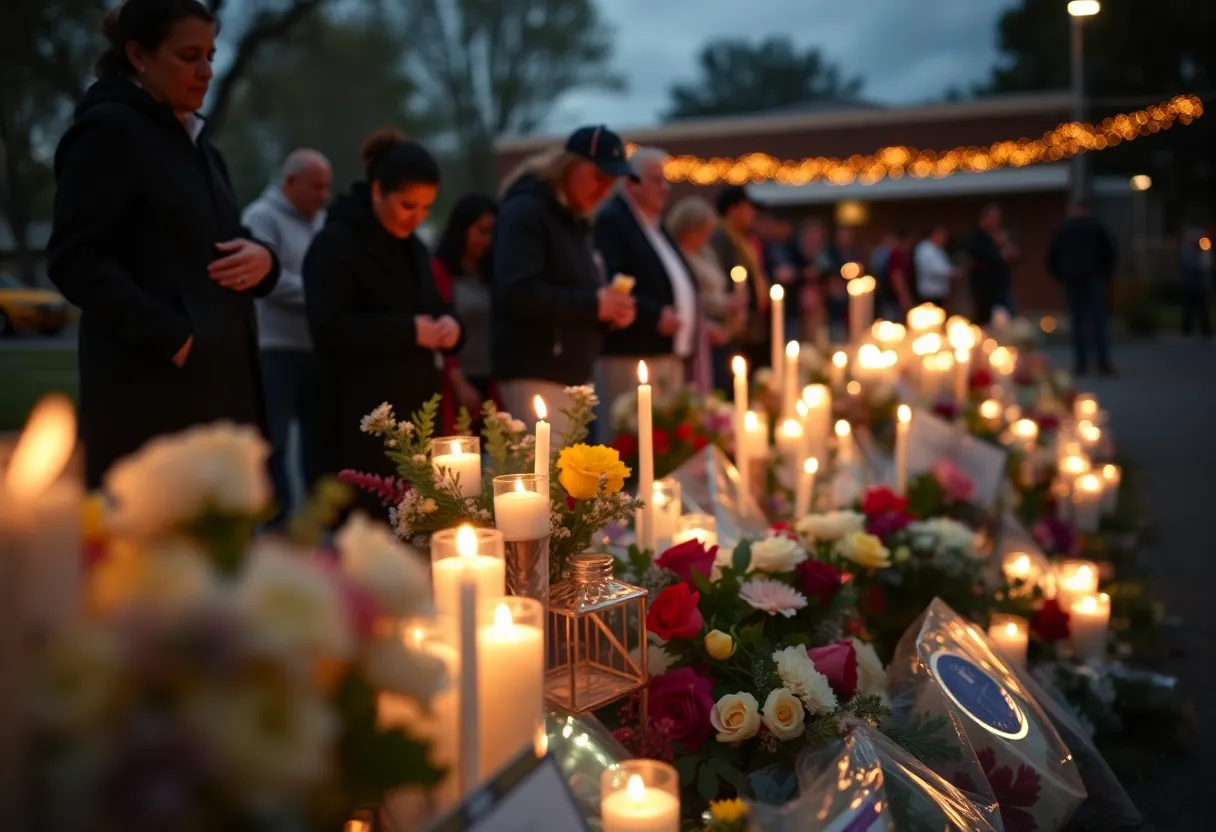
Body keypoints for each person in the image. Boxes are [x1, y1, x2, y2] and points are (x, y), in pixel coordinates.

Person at [47, 0, 279, 487]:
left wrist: (265, 259)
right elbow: (75, 258)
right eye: (188, 55)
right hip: (154, 405)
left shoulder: (197, 143)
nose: (205, 71)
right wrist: (173, 337)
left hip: (219, 400)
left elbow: (216, 236)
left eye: (211, 56)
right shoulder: (108, 131)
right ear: (138, 55)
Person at [303, 129, 460, 515]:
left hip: (414, 419)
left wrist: (452, 328)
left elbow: (436, 306)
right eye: (408, 205)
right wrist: (410, 331)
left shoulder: (414, 247)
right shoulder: (337, 243)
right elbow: (329, 327)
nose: (417, 217)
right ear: (378, 191)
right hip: (357, 421)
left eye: (426, 208)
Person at [492, 125, 637, 438]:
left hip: (571, 374)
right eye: (598, 177)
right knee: (545, 480)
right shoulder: (527, 211)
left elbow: (574, 292)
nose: (603, 191)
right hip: (536, 371)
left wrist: (609, 312)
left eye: (611, 183)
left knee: (571, 482)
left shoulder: (574, 219)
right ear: (570, 165)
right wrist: (595, 305)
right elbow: (518, 292)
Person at [242, 148, 332, 524]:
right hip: (274, 347)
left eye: (327, 187)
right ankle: (276, 522)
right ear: (290, 182)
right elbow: (264, 276)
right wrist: (323, 296)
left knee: (318, 441)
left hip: (314, 348)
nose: (323, 195)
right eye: (316, 186)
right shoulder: (260, 218)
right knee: (274, 442)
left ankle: (317, 519)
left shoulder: (320, 221)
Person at [593, 147, 698, 413]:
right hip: (632, 352)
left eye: (666, 181)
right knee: (630, 436)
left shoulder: (654, 223)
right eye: (656, 180)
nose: (665, 188)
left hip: (668, 352)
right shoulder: (613, 221)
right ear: (631, 182)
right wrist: (654, 316)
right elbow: (615, 282)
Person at [432, 193, 499, 433]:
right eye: (481, 231)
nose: (487, 240)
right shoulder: (440, 271)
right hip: (456, 380)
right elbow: (440, 327)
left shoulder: (491, 272)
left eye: (493, 233)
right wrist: (459, 382)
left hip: (492, 380)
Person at [666, 196, 744, 394]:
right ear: (689, 229)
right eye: (703, 231)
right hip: (701, 330)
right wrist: (724, 304)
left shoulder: (706, 252)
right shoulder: (679, 256)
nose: (706, 236)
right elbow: (689, 296)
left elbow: (718, 284)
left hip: (722, 327)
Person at [1047, 203, 1117, 376]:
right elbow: (1111, 253)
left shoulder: (1064, 230)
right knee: (1098, 323)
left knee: (1078, 324)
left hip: (1073, 281)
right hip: (1094, 280)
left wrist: (1061, 275)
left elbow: (1051, 256)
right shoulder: (1097, 228)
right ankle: (1103, 363)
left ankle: (1081, 364)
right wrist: (1105, 275)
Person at [709, 186, 769, 371]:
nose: (752, 214)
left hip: (749, 325)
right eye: (748, 208)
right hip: (735, 326)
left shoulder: (742, 240)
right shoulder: (721, 239)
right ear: (733, 209)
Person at [965, 204, 1018, 325]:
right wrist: (1000, 255)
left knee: (1007, 315)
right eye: (993, 217)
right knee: (986, 317)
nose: (997, 220)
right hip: (984, 285)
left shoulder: (1001, 235)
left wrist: (1004, 243)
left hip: (1002, 282)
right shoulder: (976, 236)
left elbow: (1014, 255)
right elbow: (978, 255)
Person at [1178, 228, 1213, 339]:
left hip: (1201, 286)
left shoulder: (1203, 252)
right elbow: (1192, 266)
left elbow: (1207, 266)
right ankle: (1186, 329)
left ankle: (1205, 329)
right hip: (1190, 285)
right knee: (1188, 309)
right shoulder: (1187, 251)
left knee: (1203, 309)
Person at [914, 225, 958, 312]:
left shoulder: (939, 249)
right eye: (942, 236)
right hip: (929, 293)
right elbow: (932, 269)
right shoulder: (925, 249)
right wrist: (950, 272)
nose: (944, 239)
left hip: (940, 292)